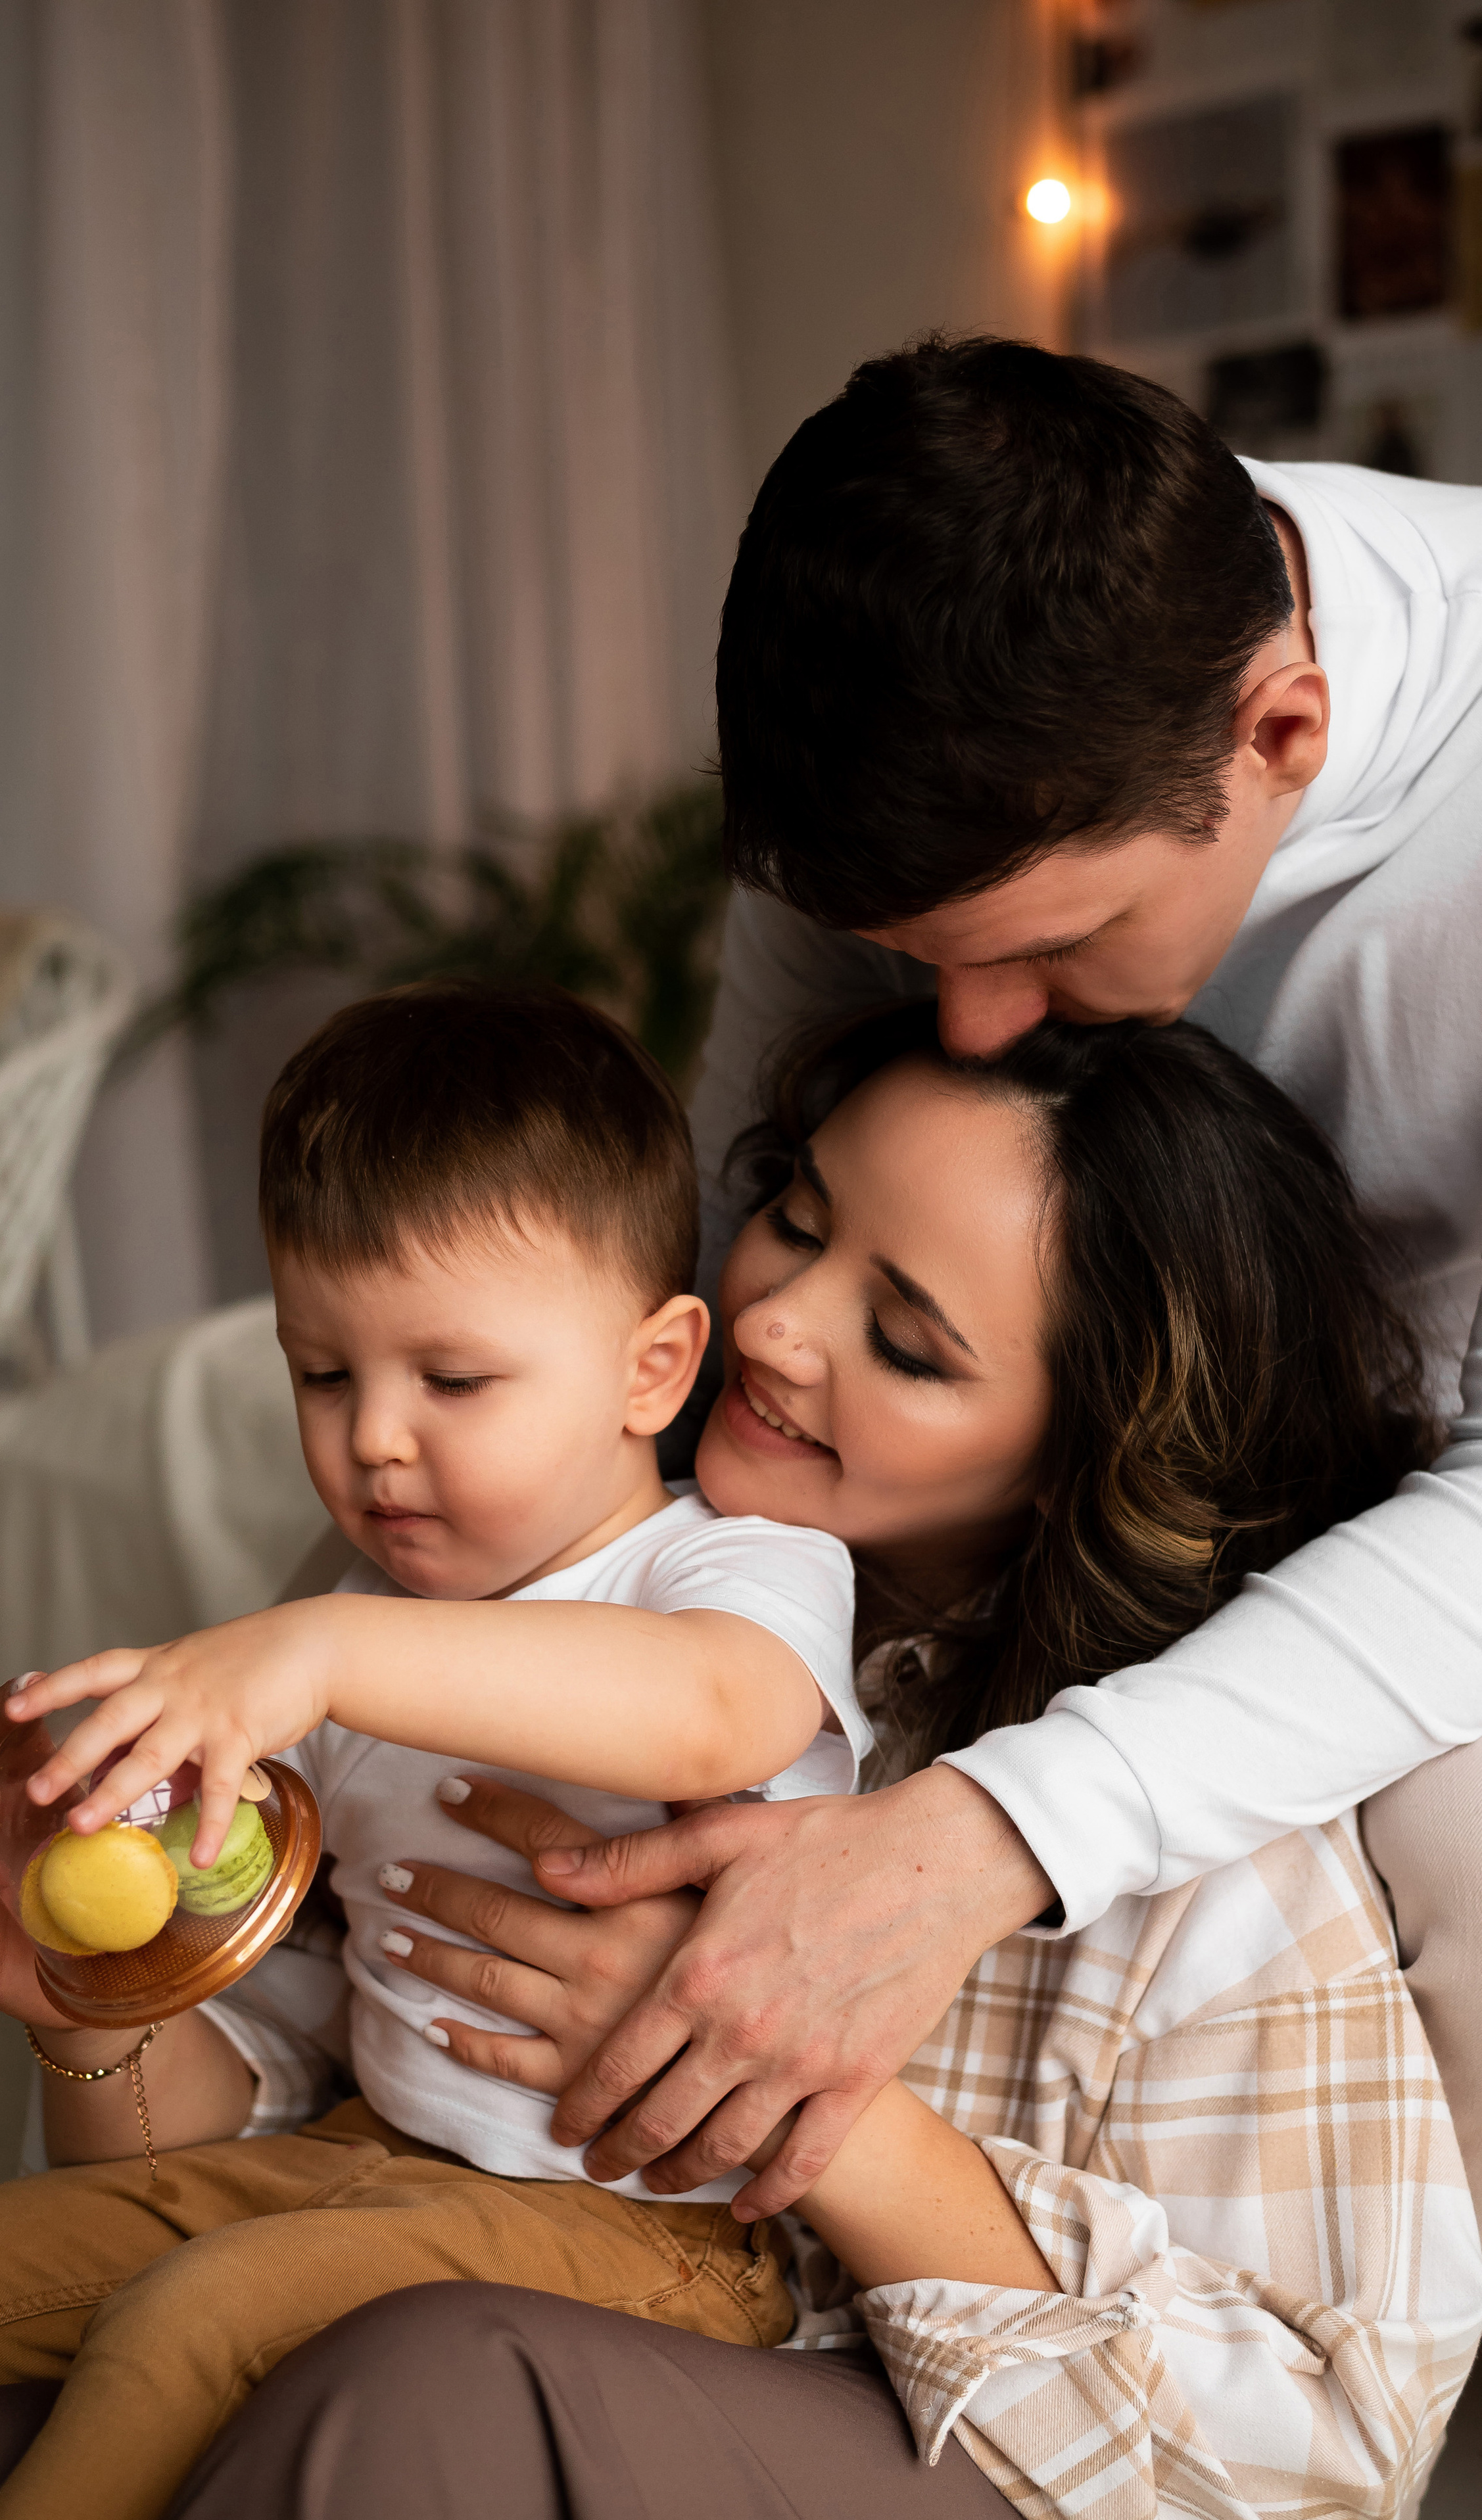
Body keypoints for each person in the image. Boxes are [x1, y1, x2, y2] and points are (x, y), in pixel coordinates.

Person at [0, 998, 1479, 2520]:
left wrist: (790, 2099)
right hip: (393, 2208)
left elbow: (1322, 2452)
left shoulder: (1205, 1809)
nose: (771, 1326)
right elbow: (257, 2108)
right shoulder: (470, 1574)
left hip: (758, 2361)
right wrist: (101, 1999)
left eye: (906, 1341)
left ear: (1076, 1452)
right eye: (795, 1222)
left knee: (388, 2379)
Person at [410, 333, 1482, 2220]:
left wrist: (993, 1832)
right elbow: (733, 1224)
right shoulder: (944, 684)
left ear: (1284, 735)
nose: (966, 1030)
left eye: (1047, 950)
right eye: (908, 959)